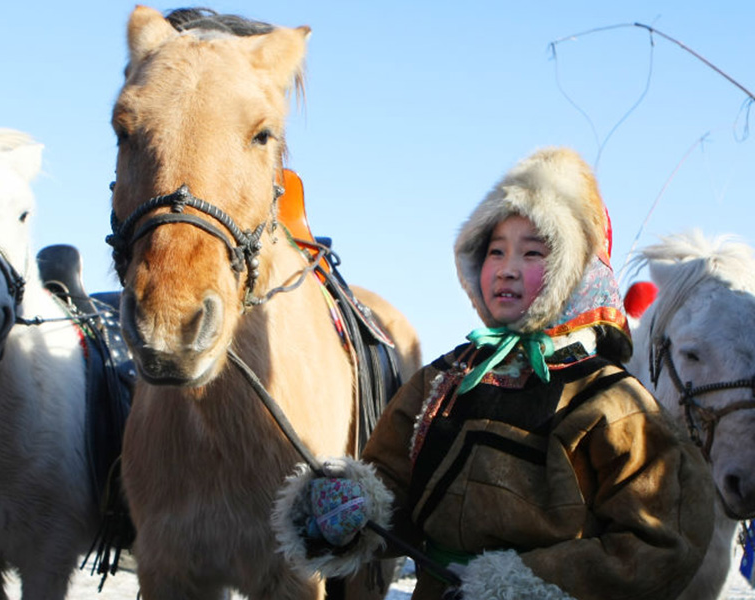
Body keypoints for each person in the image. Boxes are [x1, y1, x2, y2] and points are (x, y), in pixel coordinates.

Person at [272, 147, 715, 599]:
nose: (507, 269)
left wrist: (523, 585)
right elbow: (393, 482)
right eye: (496, 251)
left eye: (533, 252)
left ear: (577, 272)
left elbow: (662, 540)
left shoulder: (614, 401)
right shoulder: (443, 380)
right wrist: (354, 509)